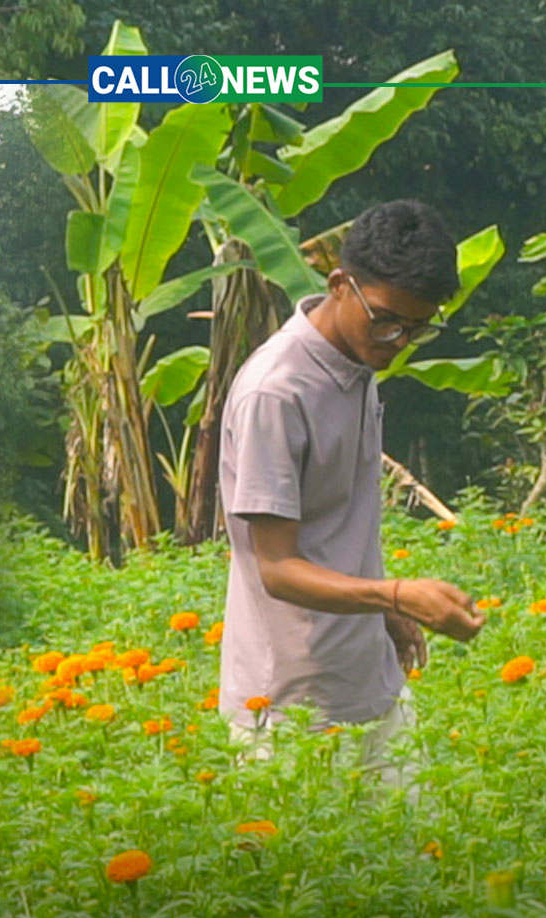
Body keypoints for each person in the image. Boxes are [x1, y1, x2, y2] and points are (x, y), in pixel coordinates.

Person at [217, 199, 485, 787]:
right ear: (340, 283)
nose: (399, 341)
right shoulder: (276, 393)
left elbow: (336, 523)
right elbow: (279, 569)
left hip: (371, 686)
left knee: (415, 866)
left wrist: (385, 611)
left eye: (419, 328)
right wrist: (396, 593)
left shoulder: (358, 363)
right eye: (387, 319)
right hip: (291, 711)